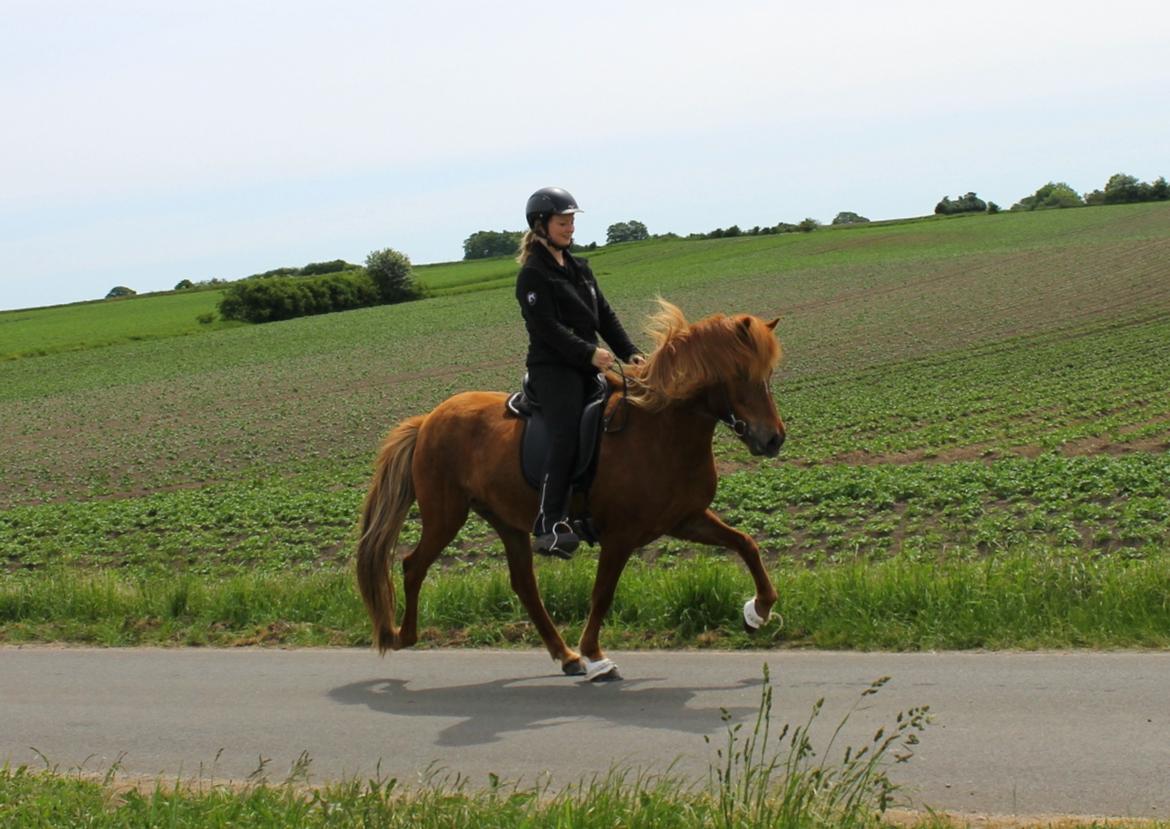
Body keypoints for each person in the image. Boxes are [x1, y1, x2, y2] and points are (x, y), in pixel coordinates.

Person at [515, 186, 646, 558]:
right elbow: (546, 329)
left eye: (572, 221)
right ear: (541, 225)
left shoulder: (580, 268)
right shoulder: (533, 275)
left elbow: (604, 314)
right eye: (562, 222)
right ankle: (550, 523)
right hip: (553, 369)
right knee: (567, 432)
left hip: (588, 364)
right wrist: (588, 354)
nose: (569, 228)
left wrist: (630, 353)